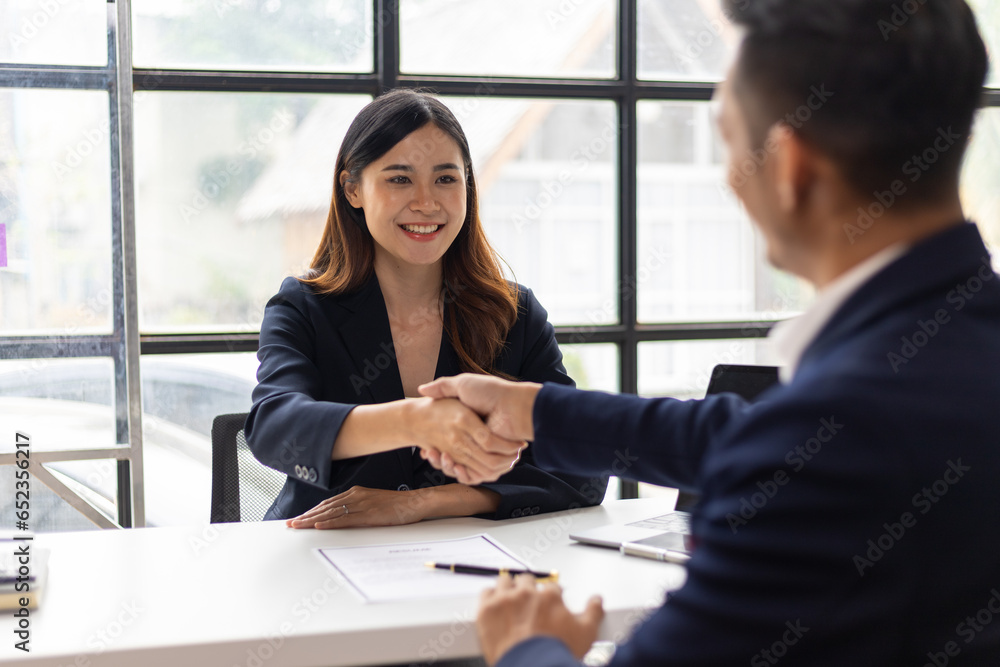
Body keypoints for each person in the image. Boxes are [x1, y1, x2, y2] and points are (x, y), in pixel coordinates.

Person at [419, 0, 1000, 664]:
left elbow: (801, 450)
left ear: (791, 168)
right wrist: (536, 410)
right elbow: (754, 437)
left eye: (728, 141)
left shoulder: (837, 437)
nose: (730, 180)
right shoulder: (942, 356)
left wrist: (530, 647)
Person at [245, 89, 605, 528]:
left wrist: (428, 502)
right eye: (399, 179)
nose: (426, 202)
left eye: (445, 179)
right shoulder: (303, 307)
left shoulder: (514, 313)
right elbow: (274, 427)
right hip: (320, 555)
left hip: (466, 564)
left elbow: (584, 461)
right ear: (353, 188)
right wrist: (416, 420)